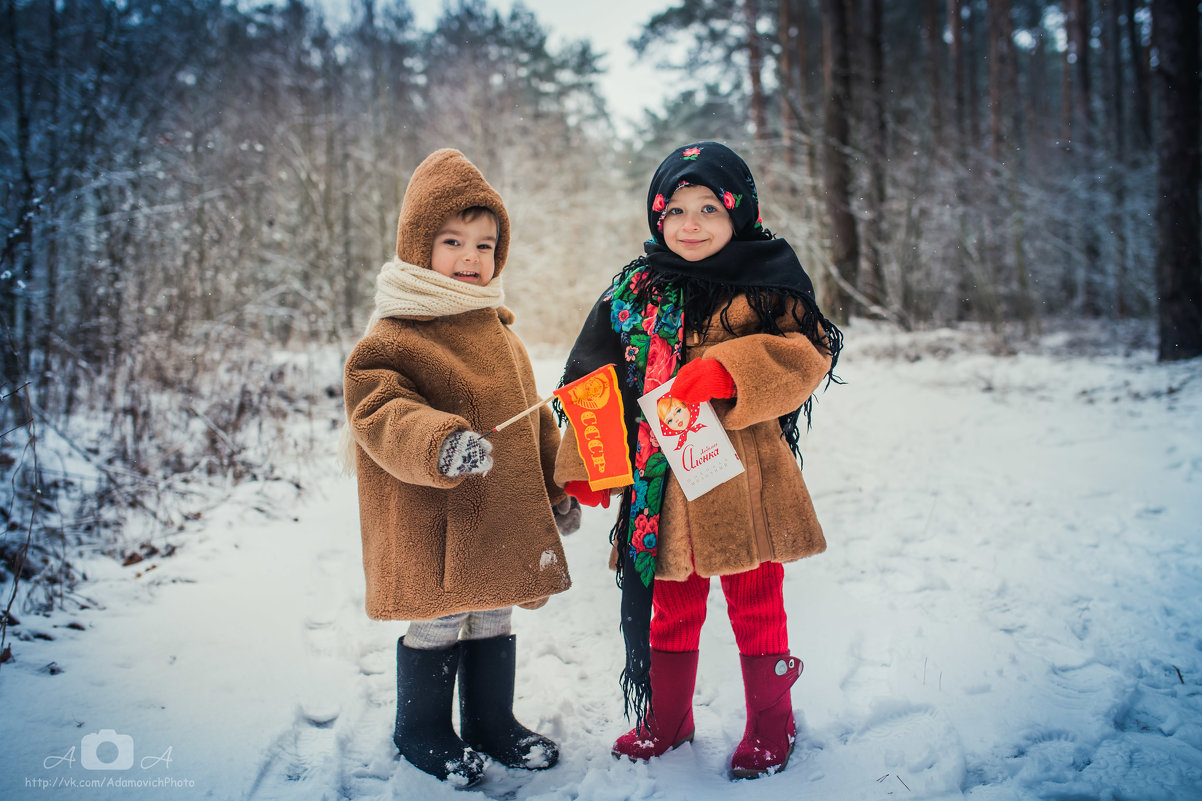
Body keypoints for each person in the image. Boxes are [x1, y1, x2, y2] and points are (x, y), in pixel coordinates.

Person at [554, 141, 841, 780]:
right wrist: (587, 459)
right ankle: (668, 718)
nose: (690, 224)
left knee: (755, 594)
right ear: (657, 218)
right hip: (665, 485)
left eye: (708, 208)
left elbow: (805, 358)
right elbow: (595, 377)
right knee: (671, 597)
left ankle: (773, 723)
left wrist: (727, 369)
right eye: (675, 210)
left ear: (738, 212)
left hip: (744, 475)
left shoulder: (767, 281)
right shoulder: (634, 289)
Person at [342, 148, 578, 787]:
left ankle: (490, 720)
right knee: (442, 613)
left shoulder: (501, 333)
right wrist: (438, 441)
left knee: (494, 608)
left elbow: (535, 418)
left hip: (499, 514)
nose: (471, 258)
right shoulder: (398, 332)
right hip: (436, 514)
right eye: (452, 241)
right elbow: (379, 408)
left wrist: (556, 482)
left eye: (484, 243)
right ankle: (420, 729)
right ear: (420, 244)